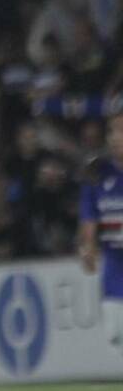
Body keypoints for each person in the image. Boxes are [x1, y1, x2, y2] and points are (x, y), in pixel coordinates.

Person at [79, 112, 123, 352]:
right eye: (112, 131)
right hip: (115, 265)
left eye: (121, 131)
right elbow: (89, 216)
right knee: (113, 334)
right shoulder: (98, 175)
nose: (116, 137)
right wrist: (87, 246)